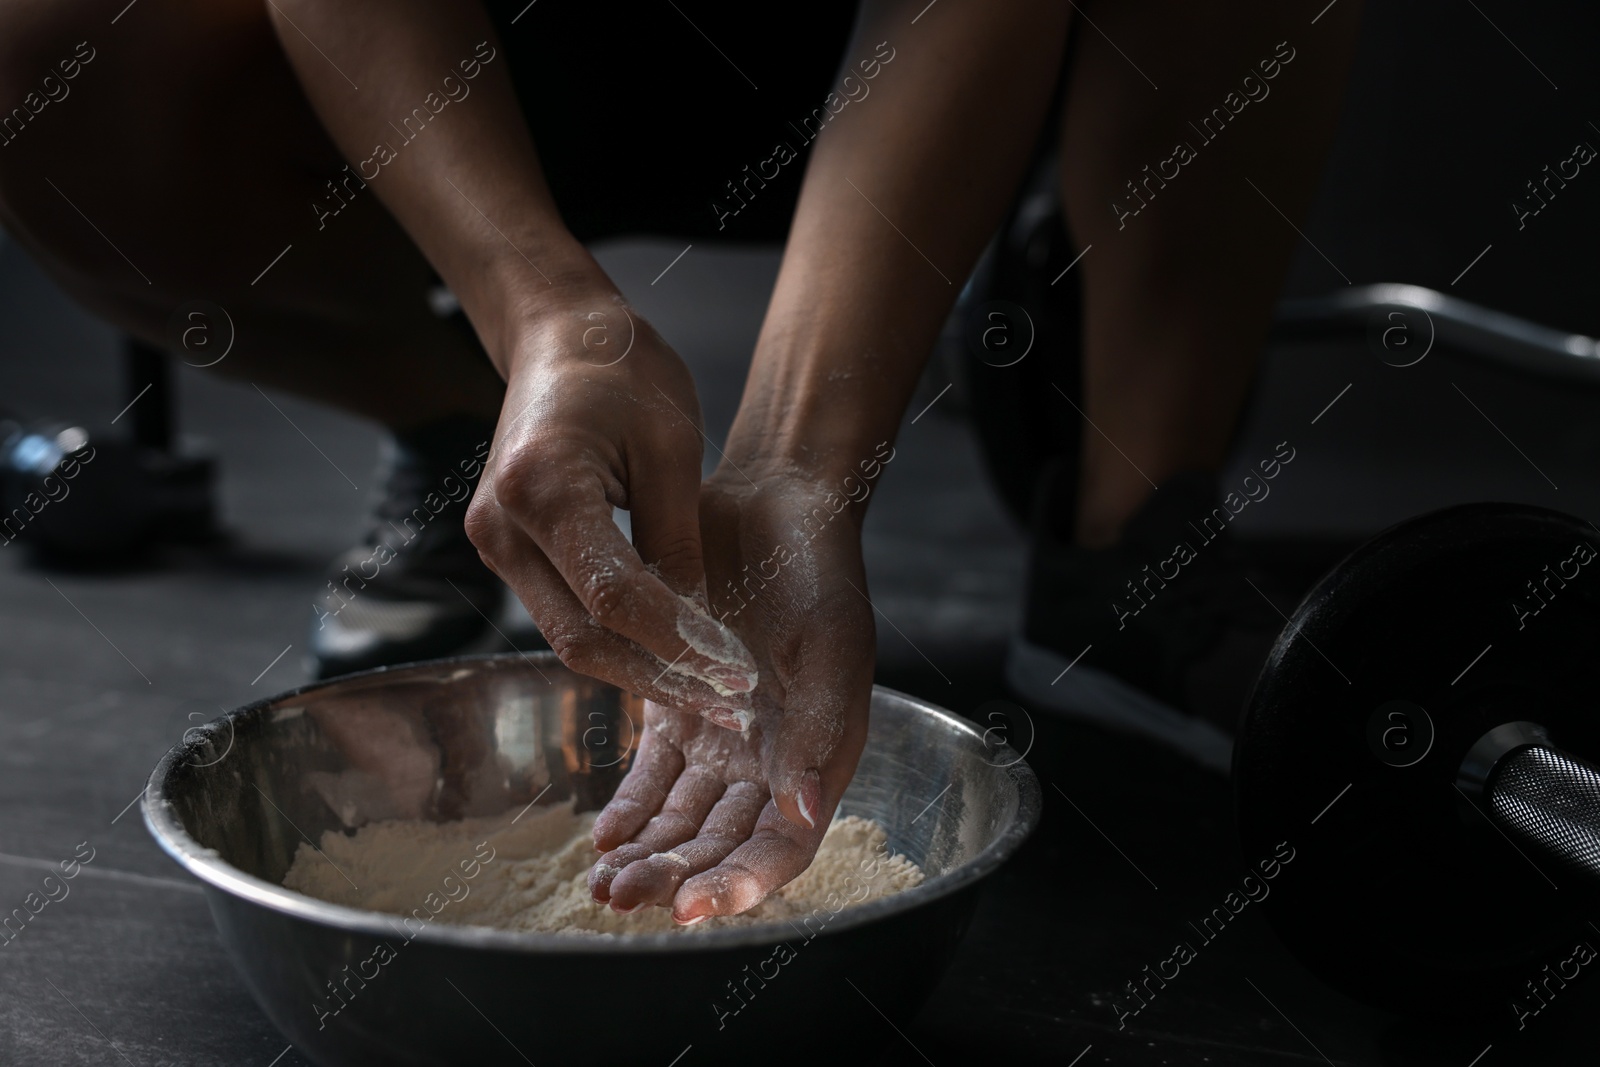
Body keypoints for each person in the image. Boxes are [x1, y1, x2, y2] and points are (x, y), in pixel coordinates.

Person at [0, 0, 1359, 922]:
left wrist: (794, 473)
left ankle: (1132, 545)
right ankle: (456, 415)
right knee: (41, 45)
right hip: (504, 55)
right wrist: (538, 305)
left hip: (923, 59)